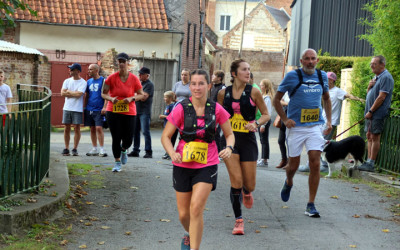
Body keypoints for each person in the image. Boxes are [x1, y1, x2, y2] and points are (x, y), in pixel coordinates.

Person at [161, 69, 234, 250]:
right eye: (193, 83)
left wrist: (229, 147)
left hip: (207, 164)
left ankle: (194, 247)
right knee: (184, 215)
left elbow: (230, 134)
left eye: (201, 83)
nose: (197, 87)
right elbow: (165, 136)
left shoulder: (216, 109)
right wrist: (172, 153)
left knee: (195, 209)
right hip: (182, 163)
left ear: (208, 86)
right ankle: (189, 232)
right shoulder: (180, 108)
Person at [273, 48, 332, 218]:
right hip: (296, 127)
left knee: (315, 163)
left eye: (313, 59)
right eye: (307, 59)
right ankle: (289, 181)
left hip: (315, 126)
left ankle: (311, 204)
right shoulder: (292, 76)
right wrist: (284, 119)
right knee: (294, 165)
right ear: (301, 61)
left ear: (317, 60)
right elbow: (277, 99)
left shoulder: (322, 76)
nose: (310, 62)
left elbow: (327, 99)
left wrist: (328, 121)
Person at [217, 59, 270, 235]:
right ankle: (238, 220)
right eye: (244, 70)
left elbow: (266, 115)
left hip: (248, 141)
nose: (248, 72)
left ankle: (247, 192)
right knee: (236, 182)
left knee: (249, 184)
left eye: (249, 69)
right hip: (230, 141)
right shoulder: (223, 93)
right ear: (234, 74)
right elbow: (218, 116)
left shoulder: (254, 92)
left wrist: (255, 123)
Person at [299, 71, 364, 172]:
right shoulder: (324, 90)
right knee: (318, 143)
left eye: (327, 79)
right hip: (322, 121)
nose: (325, 81)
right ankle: (318, 165)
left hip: (331, 122)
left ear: (332, 81)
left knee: (320, 144)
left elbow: (348, 95)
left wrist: (360, 99)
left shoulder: (338, 91)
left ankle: (320, 166)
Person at [101, 52, 144, 172]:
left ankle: (124, 149)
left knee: (128, 138)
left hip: (129, 111)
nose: (121, 64)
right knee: (116, 137)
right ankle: (117, 162)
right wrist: (111, 99)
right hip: (113, 110)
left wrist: (131, 98)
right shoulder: (111, 78)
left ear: (127, 63)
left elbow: (142, 95)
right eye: (119, 62)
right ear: (117, 63)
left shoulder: (134, 79)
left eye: (123, 62)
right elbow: (103, 93)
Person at [359, 55, 394, 172]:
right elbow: (371, 95)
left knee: (374, 137)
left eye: (374, 63)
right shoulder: (377, 77)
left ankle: (371, 163)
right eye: (371, 63)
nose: (371, 65)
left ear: (382, 65)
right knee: (369, 136)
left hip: (377, 113)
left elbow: (381, 97)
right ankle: (368, 161)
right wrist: (369, 87)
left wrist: (371, 111)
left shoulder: (386, 77)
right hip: (371, 113)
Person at [61, 63, 87, 156]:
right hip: (67, 107)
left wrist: (69, 92)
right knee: (66, 127)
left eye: (72, 69)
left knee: (77, 128)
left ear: (78, 71)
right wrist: (73, 93)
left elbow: (79, 94)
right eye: (70, 69)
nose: (70, 71)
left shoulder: (83, 82)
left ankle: (75, 148)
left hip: (77, 108)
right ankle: (66, 148)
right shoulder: (67, 81)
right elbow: (62, 93)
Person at [128, 67, 154, 158]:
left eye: (141, 74)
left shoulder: (149, 85)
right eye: (139, 74)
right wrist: (137, 95)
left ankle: (148, 151)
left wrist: (135, 96)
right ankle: (135, 150)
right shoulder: (138, 84)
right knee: (135, 131)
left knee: (145, 131)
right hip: (136, 110)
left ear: (147, 75)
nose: (139, 75)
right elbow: (131, 94)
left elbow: (143, 98)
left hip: (144, 112)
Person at [84, 64, 108, 157]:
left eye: (91, 69)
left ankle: (102, 149)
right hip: (90, 108)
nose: (89, 71)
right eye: (88, 69)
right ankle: (94, 148)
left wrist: (105, 107)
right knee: (92, 129)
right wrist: (85, 107)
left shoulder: (103, 80)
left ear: (96, 70)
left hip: (99, 108)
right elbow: (87, 95)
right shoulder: (89, 81)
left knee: (99, 128)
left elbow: (106, 94)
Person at [257, 79, 275, 167]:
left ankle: (264, 160)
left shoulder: (267, 98)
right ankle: (263, 158)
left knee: (264, 140)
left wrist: (263, 124)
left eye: (262, 85)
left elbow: (268, 112)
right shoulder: (263, 96)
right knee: (262, 140)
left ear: (266, 87)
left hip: (264, 121)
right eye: (260, 85)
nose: (260, 86)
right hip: (261, 120)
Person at [159, 90, 177, 160]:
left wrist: (163, 116)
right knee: (167, 139)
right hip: (167, 125)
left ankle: (170, 153)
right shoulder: (168, 106)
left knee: (171, 140)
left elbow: (172, 116)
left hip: (172, 126)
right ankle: (167, 152)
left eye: (165, 97)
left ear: (170, 98)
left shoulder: (172, 106)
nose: (164, 99)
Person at [210, 70, 226, 152]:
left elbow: (223, 103)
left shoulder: (222, 88)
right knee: (212, 132)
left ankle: (219, 151)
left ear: (219, 78)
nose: (212, 77)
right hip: (211, 113)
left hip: (218, 114)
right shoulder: (213, 87)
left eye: (214, 76)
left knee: (216, 133)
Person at [275, 92, 290, 169]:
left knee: (289, 141)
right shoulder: (286, 91)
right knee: (280, 140)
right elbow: (279, 100)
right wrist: (286, 103)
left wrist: (285, 103)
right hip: (284, 114)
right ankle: (284, 159)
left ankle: (290, 161)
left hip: (291, 115)